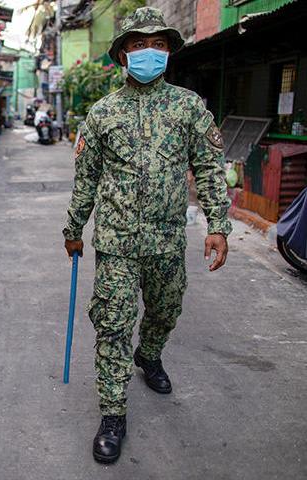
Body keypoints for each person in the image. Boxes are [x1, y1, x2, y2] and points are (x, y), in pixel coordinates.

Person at [62, 7, 231, 464]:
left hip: (166, 241)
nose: (149, 52)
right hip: (116, 244)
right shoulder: (102, 114)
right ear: (122, 55)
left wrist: (218, 224)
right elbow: (87, 179)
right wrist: (74, 228)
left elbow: (209, 168)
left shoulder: (188, 106)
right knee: (112, 326)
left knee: (165, 309)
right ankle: (113, 413)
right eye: (138, 44)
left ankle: (150, 354)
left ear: (169, 51)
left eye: (158, 44)